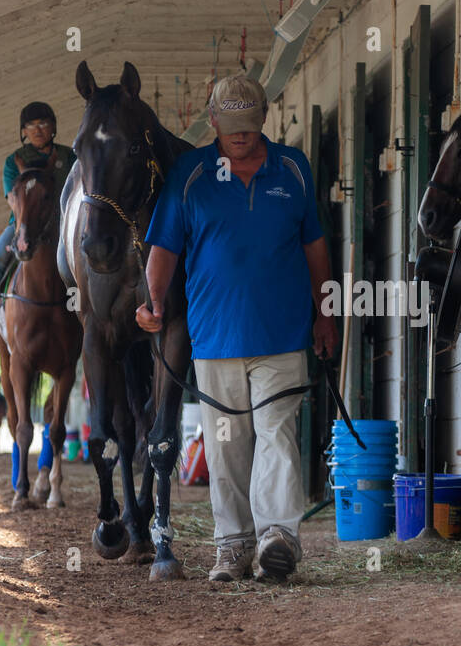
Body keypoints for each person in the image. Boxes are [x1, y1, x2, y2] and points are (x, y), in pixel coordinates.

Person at [136, 73, 338, 583]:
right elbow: (164, 249)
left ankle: (277, 537)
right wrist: (154, 303)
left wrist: (326, 312)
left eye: (249, 125)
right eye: (231, 127)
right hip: (215, 337)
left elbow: (315, 247)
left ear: (263, 119)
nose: (241, 136)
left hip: (283, 334)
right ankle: (232, 546)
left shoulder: (293, 170)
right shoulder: (189, 175)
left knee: (276, 435)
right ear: (213, 122)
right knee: (226, 443)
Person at [0, 102, 77, 329]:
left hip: (65, 224)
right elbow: (12, 197)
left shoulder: (69, 157)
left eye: (43, 124)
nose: (37, 130)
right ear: (24, 131)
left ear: (53, 127)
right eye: (31, 125)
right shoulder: (14, 160)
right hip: (25, 222)